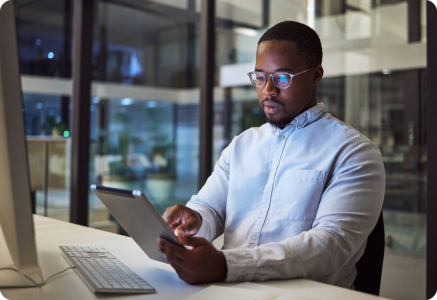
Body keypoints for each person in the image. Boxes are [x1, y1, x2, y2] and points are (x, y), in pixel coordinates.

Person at [156, 20, 385, 289]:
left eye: (282, 78)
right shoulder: (243, 144)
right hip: (227, 289)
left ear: (315, 75)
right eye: (261, 77)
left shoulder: (354, 152)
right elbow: (210, 209)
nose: (268, 90)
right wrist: (195, 220)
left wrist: (227, 265)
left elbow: (330, 245)